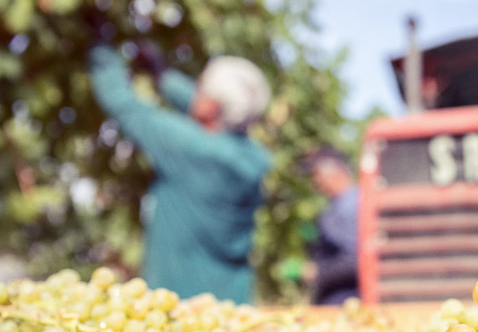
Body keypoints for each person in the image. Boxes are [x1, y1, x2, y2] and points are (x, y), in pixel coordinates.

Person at [87, 39, 271, 303]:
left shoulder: (191, 149)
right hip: (232, 301)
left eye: (200, 87)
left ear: (210, 106)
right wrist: (161, 74)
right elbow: (204, 109)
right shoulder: (250, 155)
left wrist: (99, 43)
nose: (194, 91)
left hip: (182, 306)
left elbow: (124, 104)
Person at [301, 148, 359, 305]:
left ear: (332, 173)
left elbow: (355, 259)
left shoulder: (349, 207)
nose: (315, 182)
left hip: (346, 299)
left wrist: (318, 272)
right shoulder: (340, 205)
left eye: (316, 175)